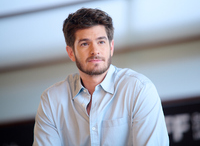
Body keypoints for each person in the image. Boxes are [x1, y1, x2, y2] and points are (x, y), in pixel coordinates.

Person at [33, 8, 169, 146]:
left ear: (111, 47)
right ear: (71, 52)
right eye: (85, 44)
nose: (95, 51)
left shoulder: (139, 90)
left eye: (101, 42)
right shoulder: (51, 101)